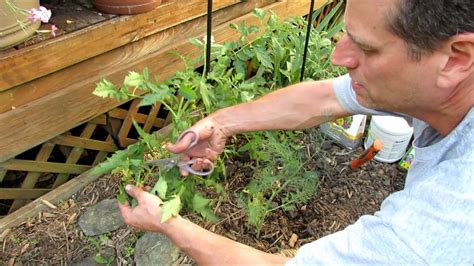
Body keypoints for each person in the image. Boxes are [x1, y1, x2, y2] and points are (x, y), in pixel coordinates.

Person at [118, 0, 474, 264]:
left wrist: (168, 223)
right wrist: (223, 122)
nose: (339, 57)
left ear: (457, 57)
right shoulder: (439, 82)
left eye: (366, 48)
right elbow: (324, 99)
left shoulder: (442, 223)